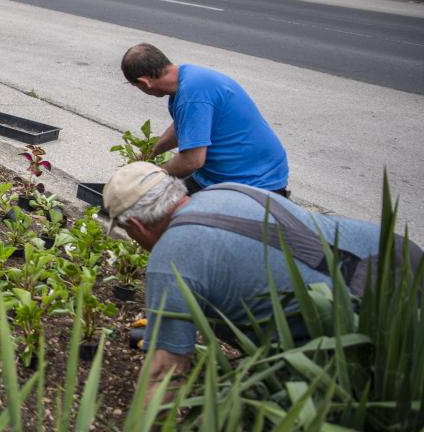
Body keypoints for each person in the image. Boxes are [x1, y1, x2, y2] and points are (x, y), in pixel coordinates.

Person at [102, 162, 419, 399]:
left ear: (136, 227)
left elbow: (165, 373)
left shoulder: (171, 259)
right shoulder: (226, 190)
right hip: (401, 259)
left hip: (367, 318)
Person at [121, 43, 289, 195]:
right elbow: (188, 125)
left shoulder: (192, 95)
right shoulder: (188, 77)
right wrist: (149, 153)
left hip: (250, 182)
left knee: (163, 213)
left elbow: (191, 161)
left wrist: (151, 177)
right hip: (224, 175)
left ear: (144, 82)